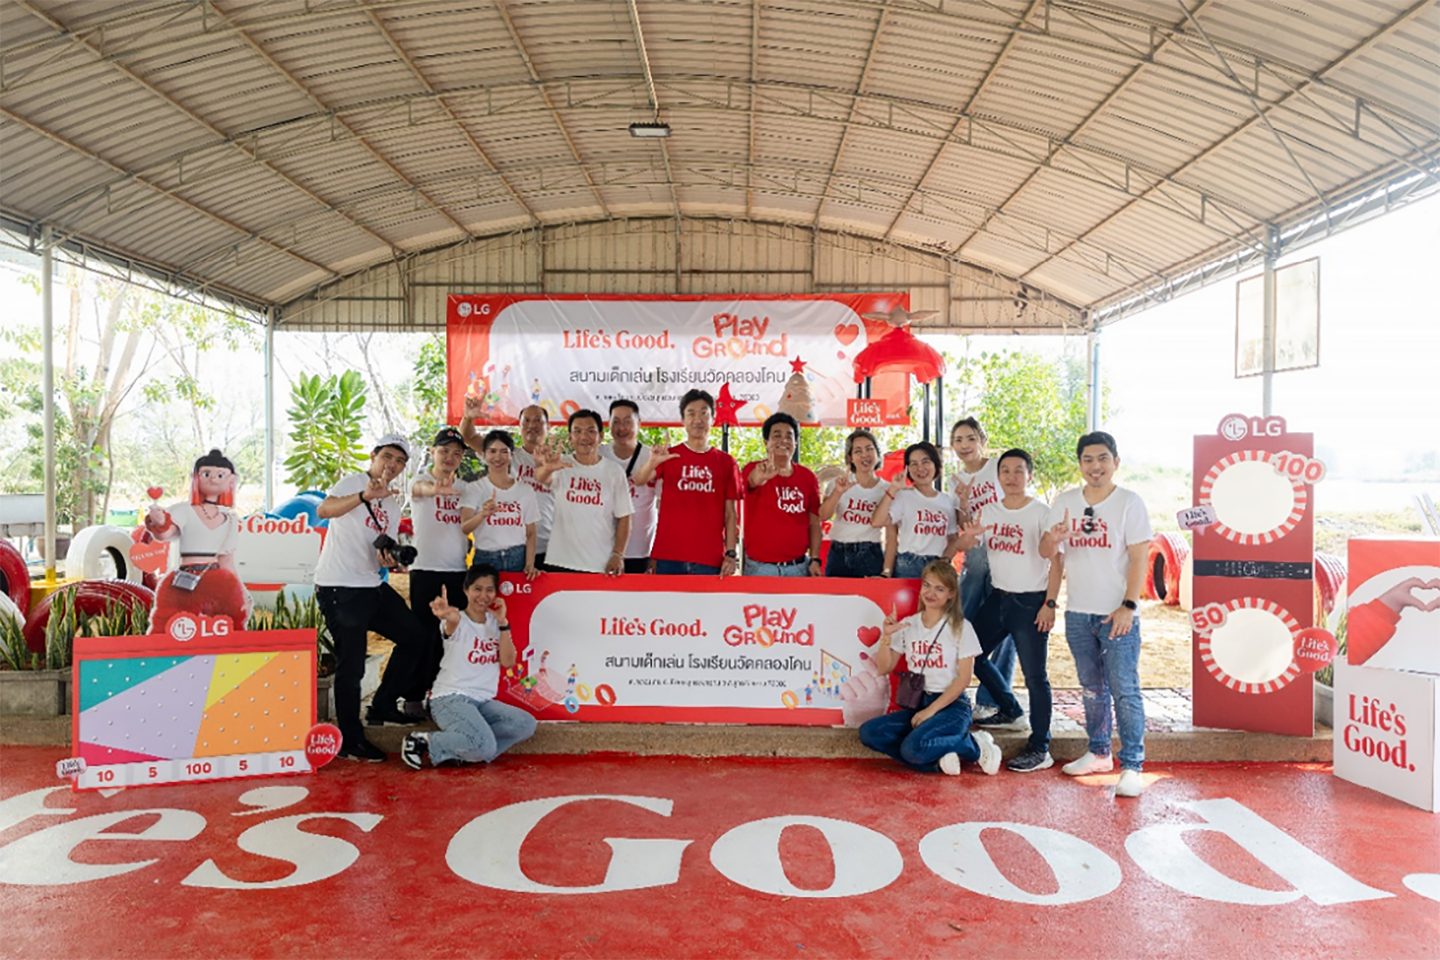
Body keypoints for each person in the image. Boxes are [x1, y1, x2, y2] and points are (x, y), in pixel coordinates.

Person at [1040, 430, 1153, 798]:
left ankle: (1133, 765)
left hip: (1116, 613)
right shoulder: (1066, 501)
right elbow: (1049, 555)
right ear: (1080, 464)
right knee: (1091, 689)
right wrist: (1052, 598)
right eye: (1088, 459)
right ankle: (1099, 751)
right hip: (1078, 613)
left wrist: (1130, 606)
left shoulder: (1129, 503)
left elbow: (1139, 558)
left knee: (1125, 690)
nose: (1095, 466)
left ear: (1116, 462)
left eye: (1103, 458)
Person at [313, 434, 427, 762]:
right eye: (388, 457)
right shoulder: (354, 481)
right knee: (352, 665)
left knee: (414, 636)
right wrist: (363, 495)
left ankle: (383, 705)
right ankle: (350, 740)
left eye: (400, 461)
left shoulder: (392, 502)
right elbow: (325, 509)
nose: (392, 465)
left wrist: (388, 558)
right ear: (374, 456)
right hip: (339, 588)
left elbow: (378, 547)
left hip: (370, 586)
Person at [967, 448, 1064, 773]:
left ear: (1030, 475)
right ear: (998, 476)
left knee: (1036, 677)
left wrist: (1050, 603)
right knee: (972, 654)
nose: (1011, 477)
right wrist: (966, 538)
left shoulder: (1041, 512)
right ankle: (1009, 709)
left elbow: (1054, 557)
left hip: (1031, 603)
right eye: (1005, 471)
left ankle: (1041, 746)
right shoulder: (989, 511)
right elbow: (967, 546)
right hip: (999, 598)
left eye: (1018, 471)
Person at [857, 560, 1001, 775]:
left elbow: (964, 680)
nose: (931, 593)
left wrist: (931, 711)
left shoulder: (961, 627)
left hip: (952, 705)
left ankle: (974, 746)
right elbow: (885, 668)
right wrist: (886, 636)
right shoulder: (909, 625)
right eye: (927, 585)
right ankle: (937, 758)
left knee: (912, 748)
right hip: (919, 702)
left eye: (939, 588)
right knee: (870, 732)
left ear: (951, 594)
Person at [400, 564, 537, 770]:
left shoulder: (495, 622)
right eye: (477, 589)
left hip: (482, 702)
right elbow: (451, 621)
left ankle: (466, 751)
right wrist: (446, 614)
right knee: (485, 745)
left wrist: (503, 622)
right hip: (450, 698)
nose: (483, 595)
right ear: (466, 590)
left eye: (489, 590)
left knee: (525, 724)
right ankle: (422, 741)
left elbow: (508, 661)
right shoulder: (458, 620)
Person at [396, 427, 475, 716]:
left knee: (452, 637)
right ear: (433, 453)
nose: (450, 457)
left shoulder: (466, 488)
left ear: (463, 457)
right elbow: (420, 491)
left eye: (456, 453)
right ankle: (413, 696)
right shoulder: (419, 481)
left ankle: (443, 695)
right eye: (444, 451)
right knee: (424, 635)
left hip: (457, 572)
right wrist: (436, 490)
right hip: (425, 571)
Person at [632, 389, 741, 576]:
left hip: (710, 559)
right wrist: (652, 462)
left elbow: (731, 514)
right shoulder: (669, 456)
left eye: (704, 413)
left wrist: (731, 554)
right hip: (668, 557)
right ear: (682, 420)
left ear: (713, 419)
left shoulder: (726, 462)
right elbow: (639, 480)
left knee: (706, 607)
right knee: (667, 607)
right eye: (691, 413)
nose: (697, 419)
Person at [145, 448, 250, 633]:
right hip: (185, 578)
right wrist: (160, 522)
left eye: (220, 475)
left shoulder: (231, 519)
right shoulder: (183, 510)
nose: (213, 479)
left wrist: (242, 592)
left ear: (231, 480)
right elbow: (165, 534)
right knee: (169, 625)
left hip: (220, 580)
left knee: (228, 624)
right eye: (207, 474)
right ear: (196, 478)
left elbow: (227, 561)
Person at [950, 416, 1014, 721]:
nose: (965, 446)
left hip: (1007, 552)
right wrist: (963, 502)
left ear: (982, 440)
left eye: (970, 438)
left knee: (1005, 631)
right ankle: (952, 692)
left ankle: (993, 701)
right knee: (962, 624)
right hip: (976, 560)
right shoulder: (955, 480)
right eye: (958, 440)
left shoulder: (999, 466)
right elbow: (963, 525)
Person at [535, 409, 632, 575]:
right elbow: (541, 478)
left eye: (590, 431)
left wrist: (618, 555)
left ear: (600, 436)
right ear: (570, 437)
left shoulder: (613, 471)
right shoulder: (561, 464)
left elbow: (625, 516)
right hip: (560, 562)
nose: (584, 437)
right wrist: (547, 468)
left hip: (599, 565)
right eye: (577, 431)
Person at [462, 397, 553, 567]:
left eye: (538, 421)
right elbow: (470, 436)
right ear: (519, 426)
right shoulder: (506, 455)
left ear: (549, 426)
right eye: (526, 421)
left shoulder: (558, 462)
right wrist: (468, 417)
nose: (532, 425)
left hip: (548, 548)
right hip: (510, 548)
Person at [870, 441, 967, 580]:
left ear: (936, 464)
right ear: (907, 469)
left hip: (936, 566)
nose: (920, 468)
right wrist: (893, 489)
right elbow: (877, 522)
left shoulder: (946, 501)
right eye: (913, 464)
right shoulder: (903, 496)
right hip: (908, 564)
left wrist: (945, 560)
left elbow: (953, 539)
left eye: (925, 462)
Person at [740, 412, 822, 576]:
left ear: (796, 443)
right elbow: (751, 482)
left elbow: (814, 523)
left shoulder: (807, 477)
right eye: (776, 436)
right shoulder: (754, 469)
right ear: (766, 442)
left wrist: (815, 559)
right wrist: (759, 478)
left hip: (798, 568)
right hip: (760, 569)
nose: (783, 440)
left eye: (789, 436)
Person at [460, 429, 539, 576]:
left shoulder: (525, 490)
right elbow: (465, 528)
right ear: (484, 455)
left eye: (504, 451)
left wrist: (529, 564)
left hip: (518, 558)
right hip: (485, 558)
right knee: (484, 599)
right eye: (492, 451)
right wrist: (482, 514)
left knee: (517, 600)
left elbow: (531, 533)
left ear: (511, 456)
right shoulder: (474, 488)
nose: (498, 457)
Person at [600, 399, 658, 574]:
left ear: (639, 424)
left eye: (627, 421)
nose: (621, 428)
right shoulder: (598, 455)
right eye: (616, 422)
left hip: (641, 552)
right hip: (601, 550)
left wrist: (657, 554)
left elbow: (665, 508)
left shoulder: (652, 458)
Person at [820, 429, 888, 578]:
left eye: (869, 449)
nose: (865, 455)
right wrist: (838, 492)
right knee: (835, 599)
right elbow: (823, 515)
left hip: (870, 553)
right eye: (858, 451)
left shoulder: (887, 489)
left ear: (877, 454)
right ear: (850, 458)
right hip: (839, 552)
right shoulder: (837, 484)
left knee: (869, 599)